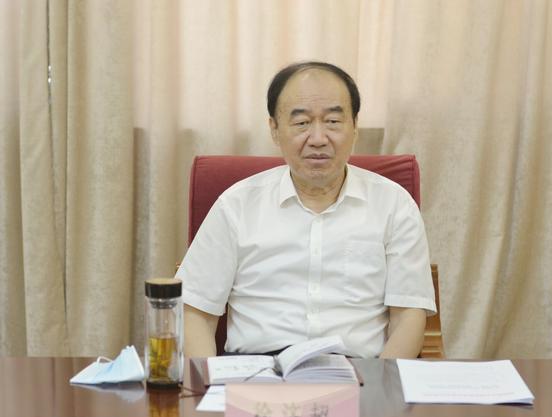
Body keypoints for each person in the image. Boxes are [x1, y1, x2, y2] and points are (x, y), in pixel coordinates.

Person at [177, 61, 436, 359]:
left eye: (333, 121)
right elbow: (196, 312)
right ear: (274, 130)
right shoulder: (236, 205)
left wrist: (380, 384)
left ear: (354, 127)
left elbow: (408, 318)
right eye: (301, 123)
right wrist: (209, 383)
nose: (318, 139)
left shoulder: (394, 204)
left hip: (360, 373)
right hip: (256, 372)